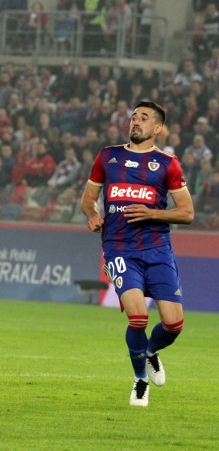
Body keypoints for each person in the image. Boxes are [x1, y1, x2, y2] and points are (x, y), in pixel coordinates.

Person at [80, 101, 194, 407]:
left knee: (173, 324)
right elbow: (89, 199)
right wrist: (92, 214)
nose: (136, 122)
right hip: (118, 247)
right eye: (134, 117)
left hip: (157, 249)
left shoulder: (168, 164)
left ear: (157, 128)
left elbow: (187, 213)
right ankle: (140, 379)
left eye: (143, 118)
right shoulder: (108, 156)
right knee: (138, 316)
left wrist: (152, 213)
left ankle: (152, 351)